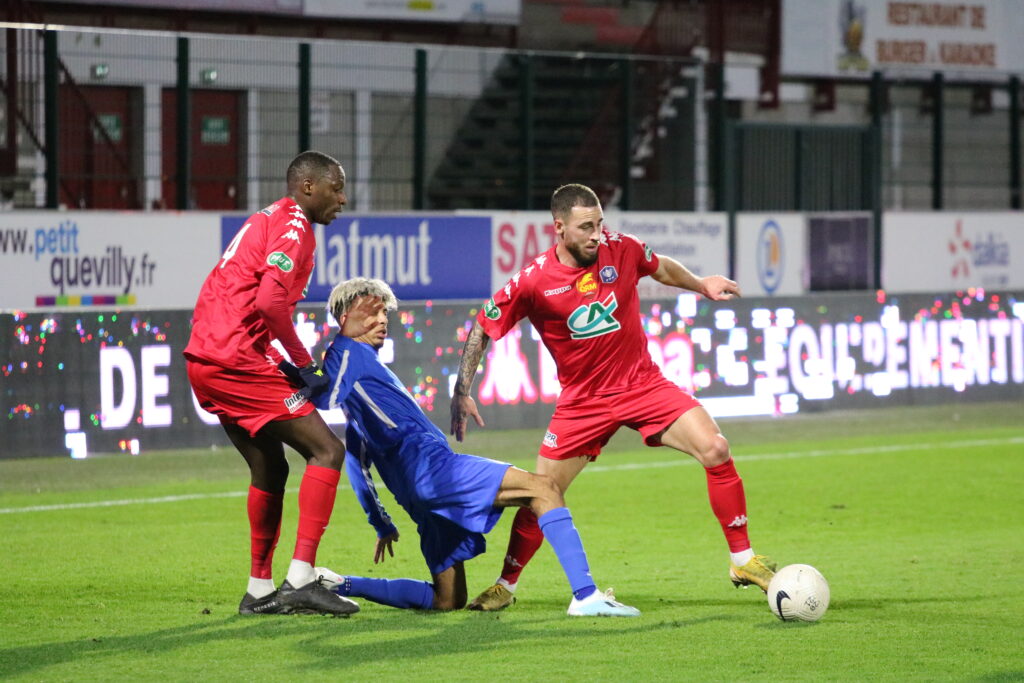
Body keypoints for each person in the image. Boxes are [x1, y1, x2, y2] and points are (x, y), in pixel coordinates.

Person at [450, 183, 776, 612]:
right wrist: (462, 390)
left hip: (643, 384)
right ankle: (505, 585)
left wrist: (700, 285)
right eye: (586, 227)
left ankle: (742, 560)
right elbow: (482, 326)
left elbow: (659, 267)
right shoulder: (533, 281)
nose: (596, 234)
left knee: (715, 448)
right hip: (582, 403)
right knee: (542, 490)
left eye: (600, 224)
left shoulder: (621, 250)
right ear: (559, 228)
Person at [304, 277, 638, 617]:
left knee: (447, 599)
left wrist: (381, 522)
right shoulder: (347, 353)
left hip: (417, 495)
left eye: (384, 314)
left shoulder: (362, 383)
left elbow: (357, 462)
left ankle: (335, 584)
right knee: (544, 488)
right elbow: (325, 397)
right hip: (434, 471)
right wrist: (299, 372)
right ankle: (586, 595)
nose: (382, 321)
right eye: (372, 313)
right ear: (345, 317)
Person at [184, 150, 359, 617]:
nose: (343, 198)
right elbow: (269, 305)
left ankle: (259, 588)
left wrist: (280, 363)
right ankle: (301, 578)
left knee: (271, 470)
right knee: (327, 450)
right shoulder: (296, 227)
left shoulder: (268, 219)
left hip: (207, 356)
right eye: (336, 187)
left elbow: (246, 305)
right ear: (307, 188)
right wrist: (304, 366)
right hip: (235, 358)